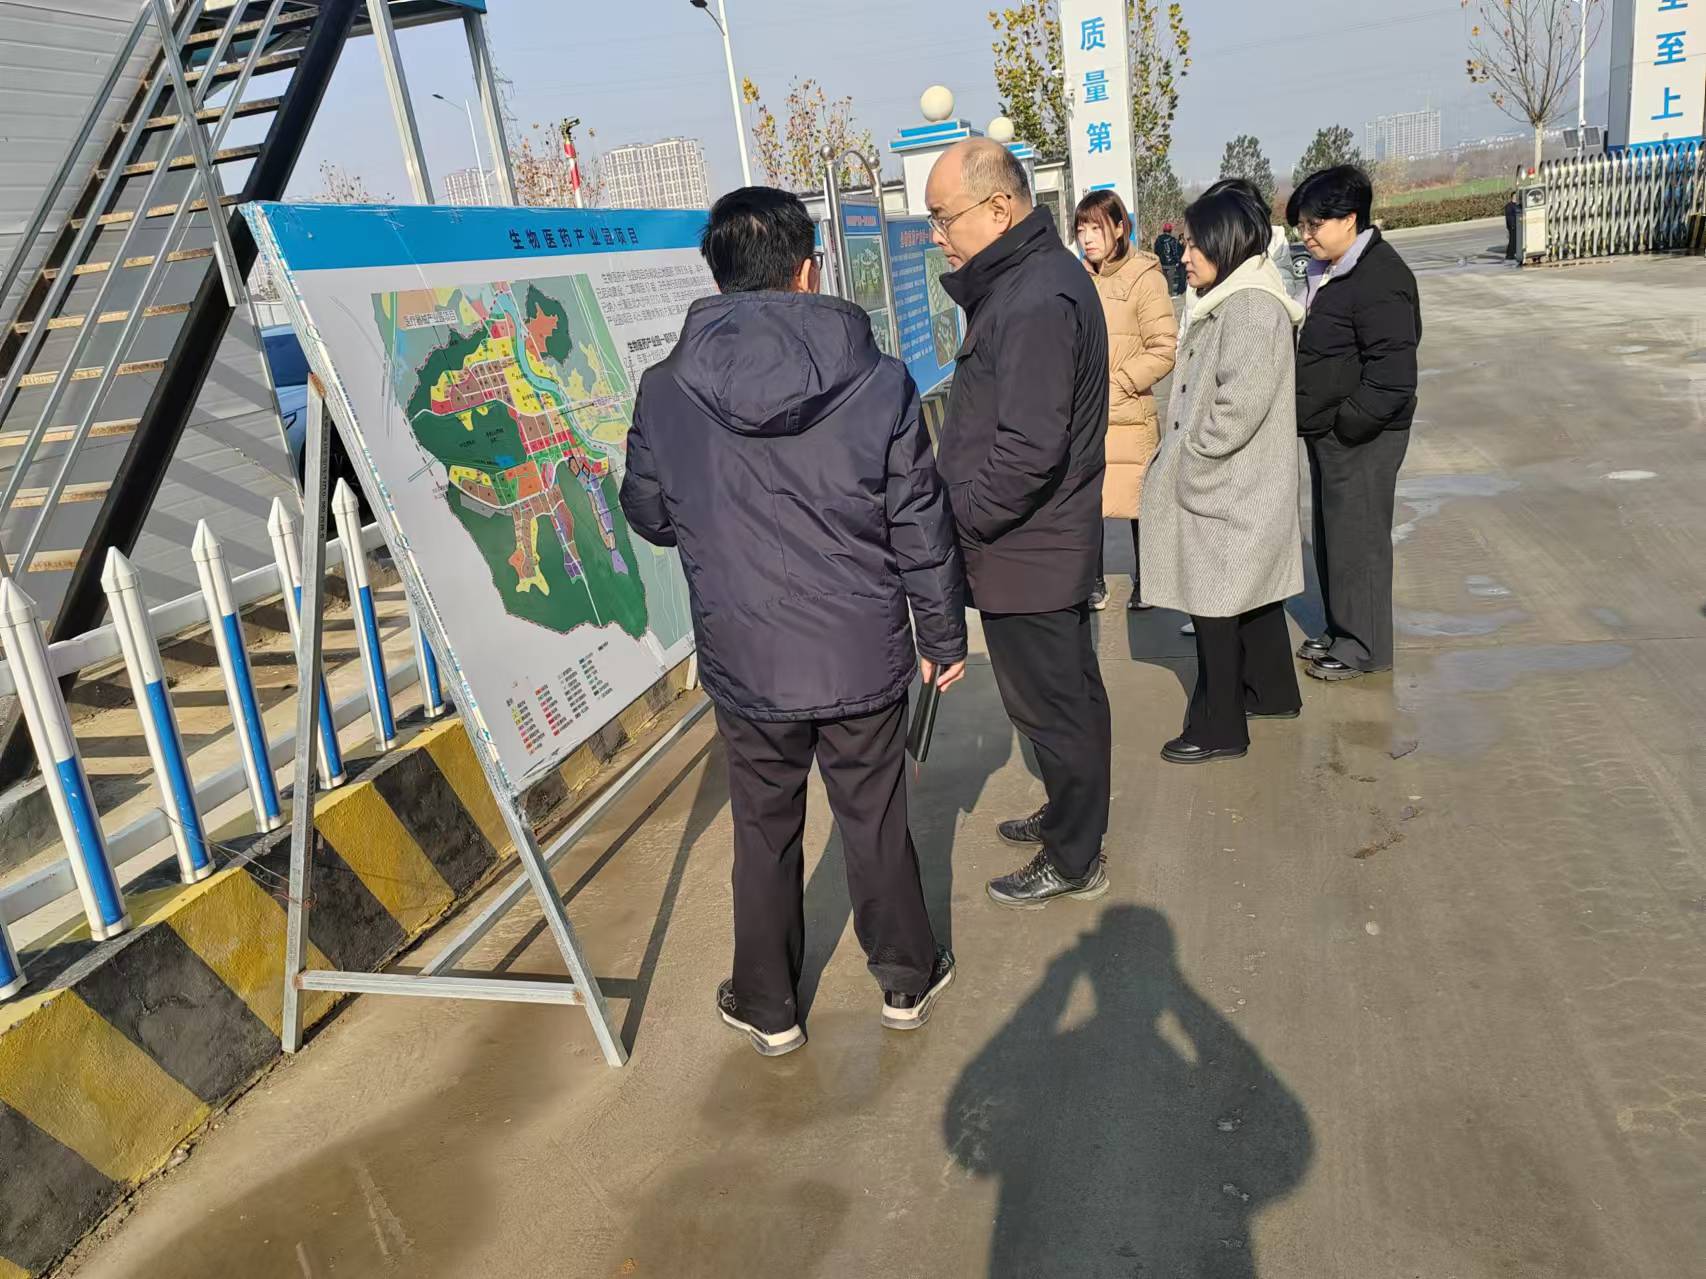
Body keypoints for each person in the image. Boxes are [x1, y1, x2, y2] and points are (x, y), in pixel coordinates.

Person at [620, 187, 966, 1057]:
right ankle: (906, 977)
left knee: (763, 826)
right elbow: (918, 519)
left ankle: (769, 1004)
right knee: (874, 815)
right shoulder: (881, 380)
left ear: (718, 276)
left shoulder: (664, 390)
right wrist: (942, 635)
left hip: (745, 656)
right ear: (808, 270)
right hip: (861, 650)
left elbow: (650, 513)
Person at [925, 138, 1112, 909]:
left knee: (1055, 709)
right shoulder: (1027, 281)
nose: (937, 234)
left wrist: (960, 520)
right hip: (1034, 548)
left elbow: (1030, 449)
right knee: (1067, 701)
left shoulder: (1035, 296)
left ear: (999, 208)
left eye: (944, 217)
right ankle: (1070, 818)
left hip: (1028, 551)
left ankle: (1074, 857)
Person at [1140, 183, 1306, 764]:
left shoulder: (1251, 307)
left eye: (1194, 245)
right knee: (1252, 599)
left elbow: (1238, 407)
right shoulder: (1233, 299)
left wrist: (1194, 459)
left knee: (1215, 608)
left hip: (1231, 488)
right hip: (1238, 485)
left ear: (1226, 243)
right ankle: (1272, 692)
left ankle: (1220, 727)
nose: (1184, 256)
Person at [1288, 165, 1421, 681]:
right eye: (1302, 225)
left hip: (1363, 436)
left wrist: (1349, 424)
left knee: (1359, 539)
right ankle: (1341, 628)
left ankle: (1364, 647)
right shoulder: (1332, 270)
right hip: (1330, 432)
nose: (1307, 234)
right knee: (1335, 536)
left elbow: (1393, 374)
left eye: (1315, 224)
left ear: (1349, 218)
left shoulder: (1379, 276)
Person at [1076, 189, 1177, 613]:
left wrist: (1119, 383)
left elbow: (1164, 348)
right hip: (1086, 412)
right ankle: (1092, 582)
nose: (1087, 238)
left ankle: (1147, 581)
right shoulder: (1079, 278)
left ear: (1120, 228)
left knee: (1138, 500)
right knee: (1087, 499)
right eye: (1081, 229)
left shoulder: (1144, 276)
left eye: (1096, 228)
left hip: (1129, 409)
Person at [1153, 222, 1186, 295]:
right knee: (1170, 282)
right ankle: (1169, 295)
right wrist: (1177, 261)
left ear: (1163, 230)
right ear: (1170, 230)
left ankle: (1163, 295)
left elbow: (1156, 251)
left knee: (1163, 281)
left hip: (1161, 263)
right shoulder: (1173, 240)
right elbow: (1175, 252)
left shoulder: (1158, 240)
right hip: (1171, 264)